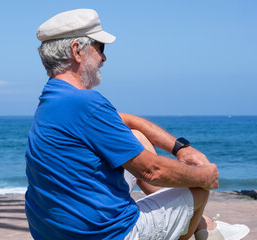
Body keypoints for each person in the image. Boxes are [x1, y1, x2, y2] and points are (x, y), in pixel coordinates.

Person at [25, 9, 250, 240]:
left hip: (52, 232)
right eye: (100, 48)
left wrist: (181, 148)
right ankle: (204, 230)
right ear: (77, 51)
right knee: (197, 188)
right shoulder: (86, 103)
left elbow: (129, 121)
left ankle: (205, 226)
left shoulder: (54, 100)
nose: (103, 58)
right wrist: (206, 176)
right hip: (106, 235)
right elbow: (152, 171)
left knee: (136, 137)